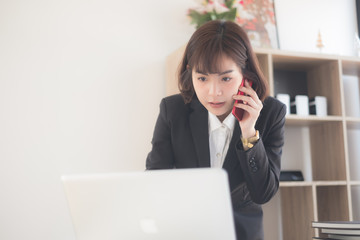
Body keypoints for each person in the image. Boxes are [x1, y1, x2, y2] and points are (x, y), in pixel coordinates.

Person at [146, 20, 286, 240]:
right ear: (190, 74)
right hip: (187, 232)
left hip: (241, 234)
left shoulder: (271, 113)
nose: (213, 92)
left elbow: (263, 194)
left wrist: (249, 132)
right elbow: (154, 181)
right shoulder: (173, 111)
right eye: (202, 78)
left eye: (226, 78)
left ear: (245, 76)